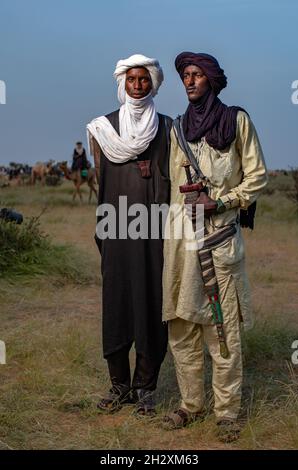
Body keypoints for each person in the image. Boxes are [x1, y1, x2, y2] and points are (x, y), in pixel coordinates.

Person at [162, 52, 268, 441]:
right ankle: (191, 405)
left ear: (212, 80)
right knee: (182, 326)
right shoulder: (177, 129)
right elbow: (174, 191)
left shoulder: (237, 121)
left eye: (197, 75)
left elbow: (257, 178)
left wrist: (221, 202)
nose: (189, 82)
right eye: (185, 76)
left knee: (223, 330)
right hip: (180, 245)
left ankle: (226, 412)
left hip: (221, 242)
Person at [87, 54, 172, 416]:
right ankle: (119, 385)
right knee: (117, 305)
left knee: (153, 307)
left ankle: (146, 389)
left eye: (144, 80)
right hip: (116, 229)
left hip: (154, 230)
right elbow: (98, 180)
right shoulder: (100, 129)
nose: (138, 86)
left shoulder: (168, 128)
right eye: (132, 80)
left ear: (153, 83)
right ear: (122, 83)